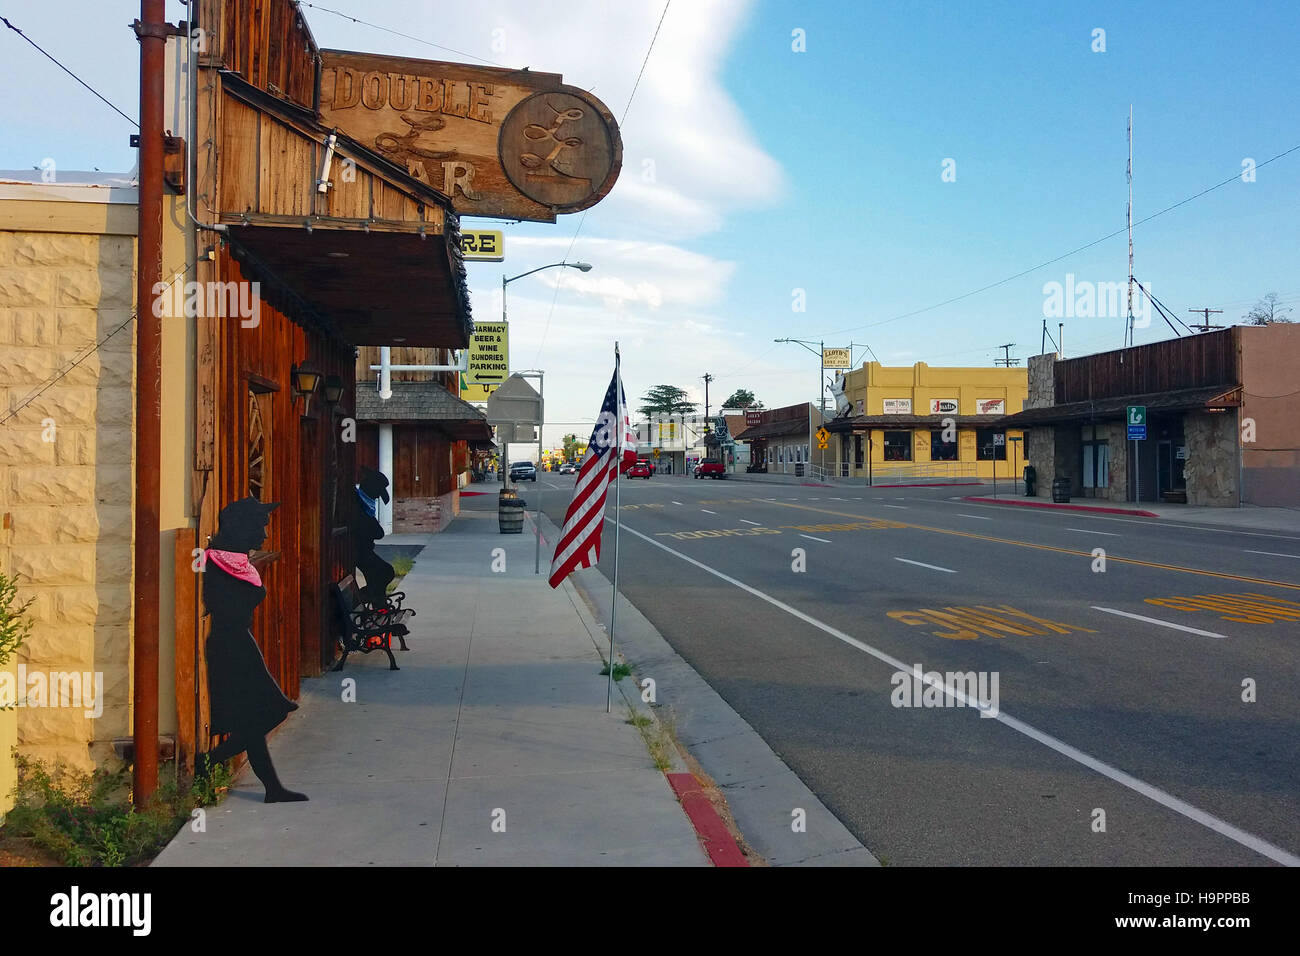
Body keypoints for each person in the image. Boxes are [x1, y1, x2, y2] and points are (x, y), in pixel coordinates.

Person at [194, 496, 306, 802]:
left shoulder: (235, 561)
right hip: (230, 645)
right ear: (241, 527)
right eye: (260, 526)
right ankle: (210, 760)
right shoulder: (217, 563)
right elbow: (225, 606)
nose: (264, 535)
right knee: (270, 711)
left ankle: (272, 788)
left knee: (254, 719)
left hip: (239, 641)